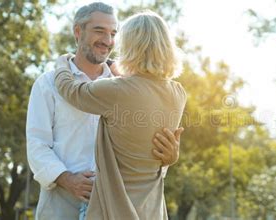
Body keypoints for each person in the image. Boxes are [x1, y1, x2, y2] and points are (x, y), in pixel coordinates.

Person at [26, 3, 182, 220]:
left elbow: (145, 157)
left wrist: (168, 159)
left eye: (113, 33)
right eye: (99, 31)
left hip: (114, 206)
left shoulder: (127, 86)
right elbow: (37, 145)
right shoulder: (47, 84)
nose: (108, 41)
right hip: (61, 204)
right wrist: (67, 179)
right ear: (78, 32)